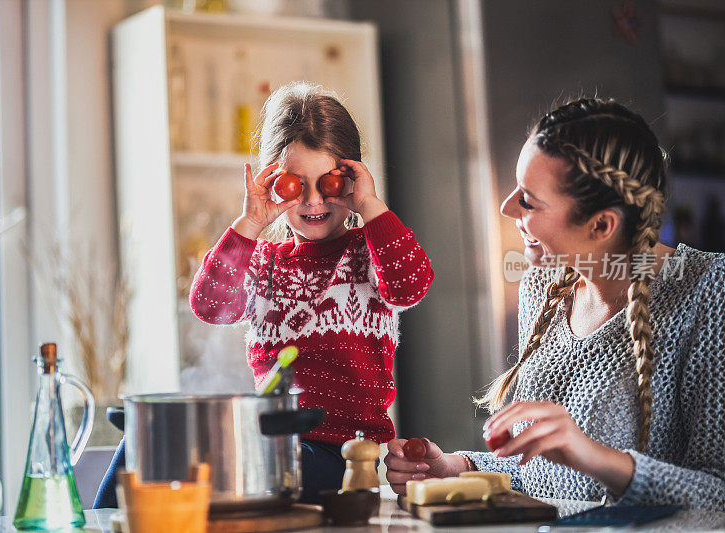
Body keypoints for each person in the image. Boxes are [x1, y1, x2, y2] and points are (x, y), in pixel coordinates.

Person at [93, 82, 433, 508]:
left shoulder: (369, 252)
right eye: (295, 185)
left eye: (327, 183)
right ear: (273, 182)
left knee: (203, 459)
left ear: (351, 179)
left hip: (341, 460)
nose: (312, 201)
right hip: (267, 441)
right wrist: (250, 223)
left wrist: (371, 206)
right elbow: (210, 306)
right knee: (146, 441)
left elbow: (411, 285)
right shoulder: (263, 261)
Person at [384, 98, 725, 509]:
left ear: (601, 224)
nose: (506, 207)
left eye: (528, 200)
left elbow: (717, 492)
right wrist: (458, 468)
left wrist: (596, 458)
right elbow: (545, 477)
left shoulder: (707, 293)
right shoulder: (542, 285)